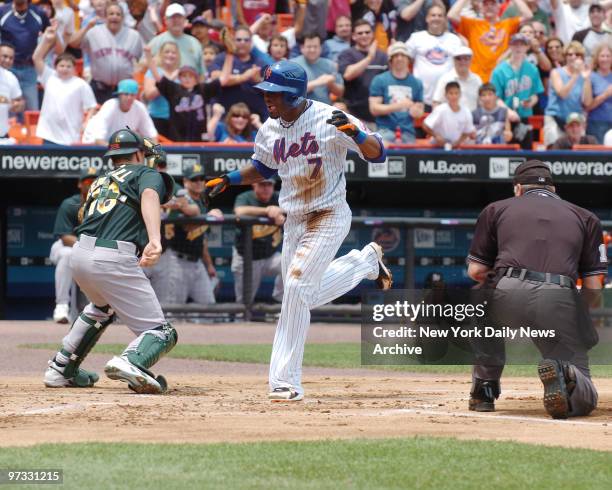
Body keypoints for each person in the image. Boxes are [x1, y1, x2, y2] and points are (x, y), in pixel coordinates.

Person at [204, 60, 392, 401]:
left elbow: (379, 154)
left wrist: (358, 135)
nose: (267, 99)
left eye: (274, 94)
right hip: (294, 220)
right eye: (265, 92)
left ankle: (284, 380)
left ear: (293, 93)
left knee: (294, 286)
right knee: (300, 294)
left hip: (329, 213)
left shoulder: (330, 117)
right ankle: (364, 264)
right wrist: (229, 180)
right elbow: (263, 166)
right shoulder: (269, 128)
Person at [466, 159, 607, 419]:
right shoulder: (586, 216)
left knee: (479, 297)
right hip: (560, 295)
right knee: (584, 395)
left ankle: (484, 389)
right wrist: (578, 314)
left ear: (518, 188)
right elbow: (593, 287)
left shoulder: (496, 208)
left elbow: (475, 272)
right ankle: (568, 375)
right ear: (554, 189)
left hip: (506, 292)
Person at [44, 128, 177, 393]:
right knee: (161, 332)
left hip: (80, 255)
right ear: (138, 153)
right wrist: (154, 239)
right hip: (112, 256)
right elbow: (151, 195)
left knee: (101, 308)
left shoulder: (100, 180)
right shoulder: (147, 173)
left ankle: (61, 367)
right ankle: (131, 361)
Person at [161, 163, 221, 306]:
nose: (199, 182)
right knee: (174, 309)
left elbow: (201, 237)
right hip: (177, 260)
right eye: (194, 179)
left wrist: (210, 265)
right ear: (185, 182)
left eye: (202, 178)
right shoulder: (181, 197)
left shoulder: (203, 200)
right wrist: (209, 217)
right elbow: (187, 227)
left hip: (197, 262)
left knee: (209, 306)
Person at [145, 43, 231, 141]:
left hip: (199, 139)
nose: (187, 79)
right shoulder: (173, 89)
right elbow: (157, 77)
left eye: (190, 76)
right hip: (177, 139)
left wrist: (230, 54)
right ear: (179, 78)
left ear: (196, 79)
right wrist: (148, 55)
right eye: (184, 76)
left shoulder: (203, 89)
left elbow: (224, 79)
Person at [49, 167, 101, 324]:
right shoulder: (70, 204)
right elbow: (65, 237)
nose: (91, 184)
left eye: (95, 181)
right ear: (80, 184)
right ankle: (61, 305)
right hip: (67, 246)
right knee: (67, 254)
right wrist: (89, 247)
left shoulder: (105, 205)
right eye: (87, 181)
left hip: (93, 248)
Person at [33, 26, 98, 146]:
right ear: (56, 66)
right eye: (62, 66)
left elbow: (92, 107)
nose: (65, 69)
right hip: (49, 134)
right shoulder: (49, 77)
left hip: (71, 136)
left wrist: (86, 123)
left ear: (74, 69)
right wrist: (46, 39)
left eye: (68, 66)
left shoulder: (81, 84)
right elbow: (37, 58)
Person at [69, 1, 143, 104]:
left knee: (123, 120)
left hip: (124, 89)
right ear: (105, 17)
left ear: (123, 18)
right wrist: (87, 27)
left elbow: (143, 60)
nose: (114, 17)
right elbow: (73, 43)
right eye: (111, 14)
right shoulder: (93, 32)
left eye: (118, 14)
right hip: (99, 88)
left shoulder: (134, 36)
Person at [448, 0, 533, 82]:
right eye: (486, 4)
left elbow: (528, 15)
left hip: (500, 79)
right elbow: (451, 15)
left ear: (499, 6)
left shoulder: (507, 25)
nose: (489, 7)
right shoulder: (473, 25)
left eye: (493, 4)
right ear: (481, 7)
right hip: (477, 79)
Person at [232, 179, 284, 304]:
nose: (266, 188)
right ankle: (242, 321)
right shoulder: (245, 197)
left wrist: (281, 211)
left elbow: (298, 207)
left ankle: (279, 299)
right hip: (247, 259)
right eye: (262, 185)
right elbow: (239, 211)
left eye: (269, 185)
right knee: (244, 302)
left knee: (292, 266)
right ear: (254, 184)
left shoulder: (279, 197)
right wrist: (267, 211)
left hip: (270, 257)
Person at [490, 33, 544, 149]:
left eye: (522, 44)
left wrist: (531, 101)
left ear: (527, 47)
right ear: (510, 46)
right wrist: (508, 111)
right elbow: (494, 98)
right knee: (504, 154)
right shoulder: (499, 70)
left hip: (524, 117)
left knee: (525, 153)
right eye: (515, 44)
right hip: (503, 119)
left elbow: (535, 94)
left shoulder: (532, 69)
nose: (518, 47)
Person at [405, 3, 462, 110]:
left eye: (440, 16)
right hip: (421, 98)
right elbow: (403, 61)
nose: (436, 18)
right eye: (433, 15)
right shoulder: (416, 37)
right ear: (427, 18)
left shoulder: (454, 40)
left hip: (447, 99)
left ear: (445, 19)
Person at [369, 42, 424, 144]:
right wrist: (399, 106)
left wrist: (416, 111)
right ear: (391, 60)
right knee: (381, 153)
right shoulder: (380, 80)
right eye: (396, 55)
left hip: (408, 132)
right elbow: (374, 109)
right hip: (385, 130)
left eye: (403, 55)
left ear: (408, 59)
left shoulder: (417, 83)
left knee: (413, 157)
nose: (400, 58)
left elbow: (419, 110)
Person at [209, 25, 268, 120]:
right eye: (239, 40)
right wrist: (243, 77)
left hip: (254, 119)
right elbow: (215, 78)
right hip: (225, 118)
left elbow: (273, 93)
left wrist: (258, 81)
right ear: (233, 41)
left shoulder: (260, 63)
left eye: (246, 40)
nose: (242, 43)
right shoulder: (223, 58)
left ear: (251, 42)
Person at [0, 0, 50, 110]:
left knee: (32, 109)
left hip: (29, 68)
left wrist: (39, 57)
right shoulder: (3, 12)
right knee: (6, 108)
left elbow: (50, 36)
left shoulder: (39, 13)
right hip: (7, 69)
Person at [338, 19, 388, 123]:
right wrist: (369, 58)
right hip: (353, 114)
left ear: (372, 34)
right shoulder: (347, 54)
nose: (364, 35)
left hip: (378, 116)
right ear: (353, 36)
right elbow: (348, 75)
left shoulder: (383, 56)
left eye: (367, 32)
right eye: (360, 33)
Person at [544, 41, 592, 146]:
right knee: (553, 151)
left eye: (577, 54)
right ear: (565, 57)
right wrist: (575, 74)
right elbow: (562, 94)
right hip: (556, 118)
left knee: (578, 153)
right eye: (570, 54)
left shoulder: (584, 75)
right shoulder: (556, 72)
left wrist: (587, 79)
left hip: (575, 120)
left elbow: (587, 102)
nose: (573, 57)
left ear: (582, 57)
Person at [84, 78, 158, 145]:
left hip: (119, 148)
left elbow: (152, 135)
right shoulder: (110, 106)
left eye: (132, 95)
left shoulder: (140, 108)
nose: (129, 98)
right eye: (126, 94)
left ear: (136, 96)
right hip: (93, 144)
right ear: (119, 95)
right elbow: (98, 140)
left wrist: (155, 152)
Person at [148, 3, 205, 78]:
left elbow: (202, 72)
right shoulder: (156, 42)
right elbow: (143, 66)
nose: (176, 20)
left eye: (179, 17)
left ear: (184, 20)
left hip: (190, 86)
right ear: (165, 20)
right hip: (164, 86)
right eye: (172, 17)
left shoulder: (194, 43)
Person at [142, 40, 181, 138]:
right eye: (167, 52)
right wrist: (169, 80)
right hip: (157, 119)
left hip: (178, 121)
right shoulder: (153, 72)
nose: (170, 55)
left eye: (173, 52)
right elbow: (149, 95)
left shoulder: (182, 73)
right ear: (161, 54)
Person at [293, 33, 344, 105]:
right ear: (302, 48)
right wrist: (317, 82)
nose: (312, 50)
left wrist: (331, 84)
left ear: (321, 48)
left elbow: (340, 92)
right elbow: (292, 92)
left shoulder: (330, 64)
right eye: (309, 47)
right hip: (300, 109)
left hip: (325, 108)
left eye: (315, 46)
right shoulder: (293, 65)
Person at [424, 81, 476, 148]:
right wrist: (436, 135)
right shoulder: (440, 109)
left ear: (460, 94)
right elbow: (425, 125)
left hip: (457, 147)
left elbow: (467, 131)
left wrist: (458, 142)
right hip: (438, 146)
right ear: (446, 95)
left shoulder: (466, 111)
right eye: (451, 93)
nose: (454, 96)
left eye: (456, 93)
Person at [432, 45, 483, 112]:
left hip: (472, 120)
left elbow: (481, 104)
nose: (462, 61)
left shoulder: (477, 80)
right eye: (458, 58)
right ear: (453, 60)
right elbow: (437, 103)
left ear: (471, 60)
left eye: (466, 58)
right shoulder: (445, 79)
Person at [585, 43, 612, 144]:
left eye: (608, 56)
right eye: (602, 56)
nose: (605, 59)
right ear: (597, 58)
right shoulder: (590, 76)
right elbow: (587, 105)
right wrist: (605, 95)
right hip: (596, 123)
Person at [0, 44, 23, 141]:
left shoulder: (11, 78)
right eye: (4, 56)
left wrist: (18, 105)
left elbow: (18, 103)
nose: (8, 60)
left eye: (11, 58)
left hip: (2, 135)